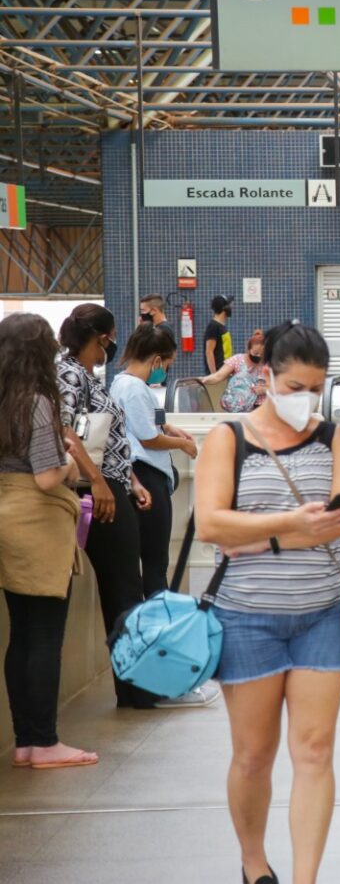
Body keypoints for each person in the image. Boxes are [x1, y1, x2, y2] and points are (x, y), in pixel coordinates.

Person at [193, 320, 340, 884]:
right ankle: (252, 861)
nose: (306, 401)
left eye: (315, 388)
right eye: (294, 387)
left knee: (314, 751)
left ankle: (305, 878)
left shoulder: (336, 439)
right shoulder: (228, 438)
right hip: (246, 618)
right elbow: (212, 525)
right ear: (265, 377)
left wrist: (258, 537)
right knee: (253, 756)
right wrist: (291, 524)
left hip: (322, 615)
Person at [0, 313, 97, 770]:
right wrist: (74, 466)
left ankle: (24, 742)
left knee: (20, 636)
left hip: (4, 520)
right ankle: (43, 742)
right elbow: (46, 478)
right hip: (36, 525)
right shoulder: (36, 402)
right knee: (42, 635)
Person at [109, 324, 219, 710]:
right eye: (166, 364)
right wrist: (184, 444)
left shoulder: (123, 385)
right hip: (148, 480)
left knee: (154, 568)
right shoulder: (134, 388)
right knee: (157, 571)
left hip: (146, 478)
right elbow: (148, 438)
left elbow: (152, 425)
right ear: (156, 359)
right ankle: (165, 666)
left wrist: (168, 428)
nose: (165, 371)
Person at [57, 304, 158, 710]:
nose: (112, 346)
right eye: (111, 337)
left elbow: (107, 439)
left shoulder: (90, 377)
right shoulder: (67, 373)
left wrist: (130, 481)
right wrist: (99, 483)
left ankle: (135, 685)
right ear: (101, 337)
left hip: (114, 484)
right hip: (94, 490)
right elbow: (65, 431)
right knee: (123, 589)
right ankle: (136, 688)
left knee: (125, 587)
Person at [203, 330, 267, 413]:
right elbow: (218, 376)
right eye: (256, 353)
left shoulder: (270, 363)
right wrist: (203, 380)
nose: (258, 356)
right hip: (238, 407)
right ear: (249, 350)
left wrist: (266, 389)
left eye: (262, 354)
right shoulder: (237, 360)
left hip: (262, 408)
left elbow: (282, 385)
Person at [205, 294, 234, 376]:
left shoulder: (221, 326)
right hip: (219, 373)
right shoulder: (213, 326)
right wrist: (215, 375)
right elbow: (209, 352)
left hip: (224, 372)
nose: (231, 307)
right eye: (229, 305)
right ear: (224, 308)